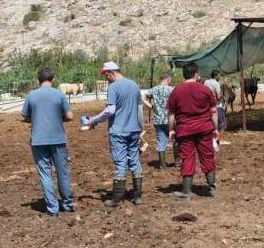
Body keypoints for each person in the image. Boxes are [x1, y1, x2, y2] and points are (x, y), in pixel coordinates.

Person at [81, 62, 144, 207]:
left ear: (111, 72)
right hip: (134, 130)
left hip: (118, 131)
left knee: (121, 162)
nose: (106, 77)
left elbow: (110, 110)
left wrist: (93, 120)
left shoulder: (113, 87)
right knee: (134, 160)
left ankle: (117, 198)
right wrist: (140, 127)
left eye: (106, 74)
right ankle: (138, 196)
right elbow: (139, 109)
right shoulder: (134, 85)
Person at [21, 66, 75, 217]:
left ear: (38, 80)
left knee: (45, 174)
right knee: (62, 173)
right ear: (53, 79)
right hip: (58, 139)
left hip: (38, 140)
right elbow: (70, 116)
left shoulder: (32, 95)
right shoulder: (59, 94)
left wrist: (36, 118)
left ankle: (52, 209)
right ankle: (68, 205)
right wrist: (60, 117)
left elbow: (23, 116)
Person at [167, 62, 218, 199]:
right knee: (207, 156)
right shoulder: (205, 90)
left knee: (187, 158)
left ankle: (186, 192)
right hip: (204, 129)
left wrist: (171, 130)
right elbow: (213, 111)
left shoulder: (176, 91)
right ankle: (211, 188)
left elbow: (171, 114)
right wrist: (216, 128)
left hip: (185, 130)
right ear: (196, 73)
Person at [146, 71, 174, 169]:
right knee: (176, 139)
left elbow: (143, 97)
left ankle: (162, 165)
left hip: (158, 120)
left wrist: (151, 106)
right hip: (170, 119)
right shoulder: (171, 90)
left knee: (161, 142)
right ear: (168, 79)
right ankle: (178, 162)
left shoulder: (154, 89)